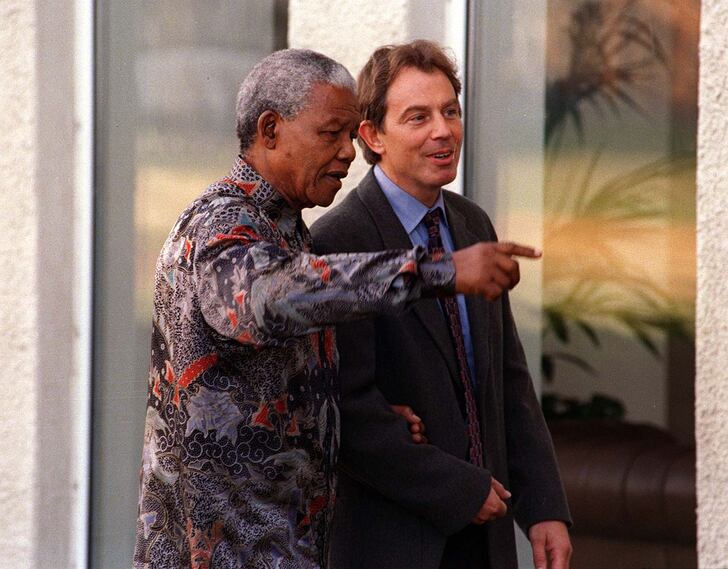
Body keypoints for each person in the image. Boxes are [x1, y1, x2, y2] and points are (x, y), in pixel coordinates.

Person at [133, 48, 538, 569]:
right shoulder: (221, 228)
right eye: (331, 134)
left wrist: (327, 414)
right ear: (271, 129)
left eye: (350, 135)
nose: (349, 152)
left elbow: (256, 382)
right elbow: (272, 301)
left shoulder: (287, 231)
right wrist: (441, 271)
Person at [311, 40, 572, 569]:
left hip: (489, 539)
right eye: (418, 117)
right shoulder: (337, 244)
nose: (443, 130)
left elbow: (508, 379)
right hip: (394, 543)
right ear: (372, 135)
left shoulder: (472, 225)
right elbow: (348, 412)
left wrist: (544, 507)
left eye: (450, 111)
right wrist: (461, 490)